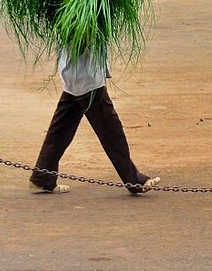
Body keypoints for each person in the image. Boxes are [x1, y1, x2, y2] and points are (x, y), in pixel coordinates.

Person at [28, 48, 161, 195]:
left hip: (75, 77)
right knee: (112, 132)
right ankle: (135, 181)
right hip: (88, 80)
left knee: (61, 130)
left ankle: (41, 177)